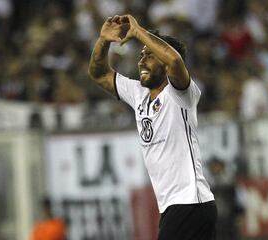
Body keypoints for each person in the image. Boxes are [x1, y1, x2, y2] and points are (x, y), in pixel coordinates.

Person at [88, 14, 217, 240]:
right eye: (140, 55)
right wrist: (103, 40)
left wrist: (138, 32)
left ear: (163, 63)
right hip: (178, 207)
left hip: (188, 203)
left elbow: (175, 62)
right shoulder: (138, 94)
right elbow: (98, 73)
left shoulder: (180, 94)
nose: (141, 61)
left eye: (149, 55)